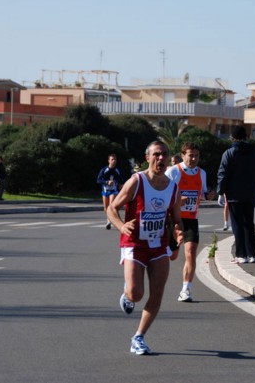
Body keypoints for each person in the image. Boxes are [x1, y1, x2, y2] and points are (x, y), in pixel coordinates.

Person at [106, 141, 183, 355]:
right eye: (156, 155)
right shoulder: (136, 182)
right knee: (136, 293)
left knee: (157, 293)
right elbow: (112, 209)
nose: (161, 159)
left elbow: (177, 220)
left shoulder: (173, 188)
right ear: (147, 157)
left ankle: (138, 337)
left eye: (164, 155)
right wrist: (122, 226)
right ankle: (127, 294)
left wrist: (177, 235)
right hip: (134, 243)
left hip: (158, 245)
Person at [166, 142, 215, 302]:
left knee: (190, 253)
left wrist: (208, 196)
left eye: (196, 155)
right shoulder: (173, 171)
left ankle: (186, 290)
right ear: (183, 155)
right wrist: (178, 200)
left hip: (192, 219)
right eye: (190, 155)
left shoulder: (202, 173)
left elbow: (203, 193)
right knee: (172, 256)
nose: (194, 158)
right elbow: (162, 194)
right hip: (174, 219)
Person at [217, 126, 255, 264]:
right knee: (249, 224)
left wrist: (221, 192)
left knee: (237, 225)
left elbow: (223, 173)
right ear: (246, 136)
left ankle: (241, 254)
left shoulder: (229, 153)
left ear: (232, 138)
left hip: (233, 194)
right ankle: (253, 254)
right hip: (250, 193)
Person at [97, 154, 124, 230]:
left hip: (114, 190)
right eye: (112, 159)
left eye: (115, 159)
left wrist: (121, 185)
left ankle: (109, 221)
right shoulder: (104, 170)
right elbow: (98, 180)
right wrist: (106, 182)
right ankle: (108, 218)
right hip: (105, 190)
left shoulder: (117, 170)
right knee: (106, 207)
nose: (114, 161)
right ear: (108, 160)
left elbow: (122, 179)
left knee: (111, 205)